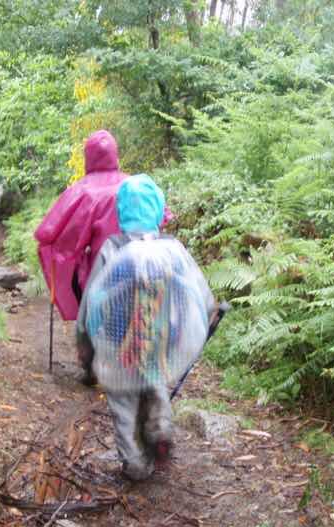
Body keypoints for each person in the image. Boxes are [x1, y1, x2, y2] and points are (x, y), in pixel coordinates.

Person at [77, 175, 216, 480]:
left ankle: (136, 465)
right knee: (154, 379)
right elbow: (199, 293)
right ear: (158, 210)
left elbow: (93, 300)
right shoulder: (172, 248)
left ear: (121, 211)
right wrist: (209, 316)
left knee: (123, 403)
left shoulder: (112, 248)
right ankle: (161, 426)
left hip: (118, 344)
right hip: (160, 338)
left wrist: (87, 342)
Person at [35, 130, 173, 322]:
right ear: (115, 154)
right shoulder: (136, 186)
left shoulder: (82, 192)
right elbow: (163, 218)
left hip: (104, 279)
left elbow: (55, 239)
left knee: (101, 336)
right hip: (147, 273)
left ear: (87, 157)